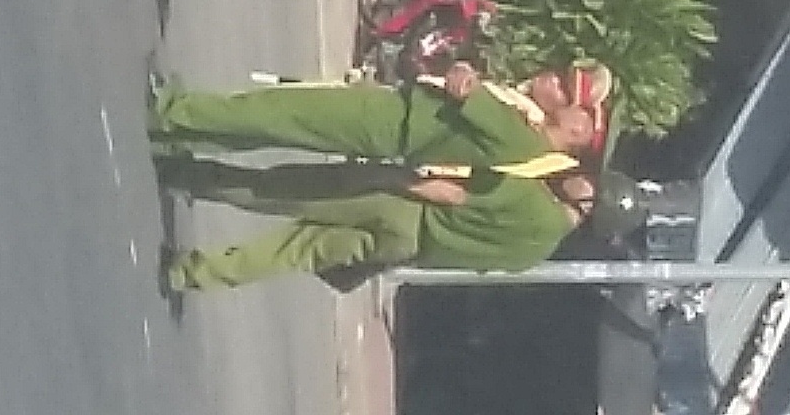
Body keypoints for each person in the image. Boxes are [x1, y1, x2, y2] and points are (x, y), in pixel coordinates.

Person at [148, 63, 602, 291]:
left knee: (282, 126)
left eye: (574, 101)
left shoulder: (525, 157)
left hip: (400, 178)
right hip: (408, 245)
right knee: (298, 249)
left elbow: (451, 190)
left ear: (578, 132)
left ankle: (175, 116)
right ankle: (192, 269)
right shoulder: (536, 250)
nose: (562, 91)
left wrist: (392, 180)